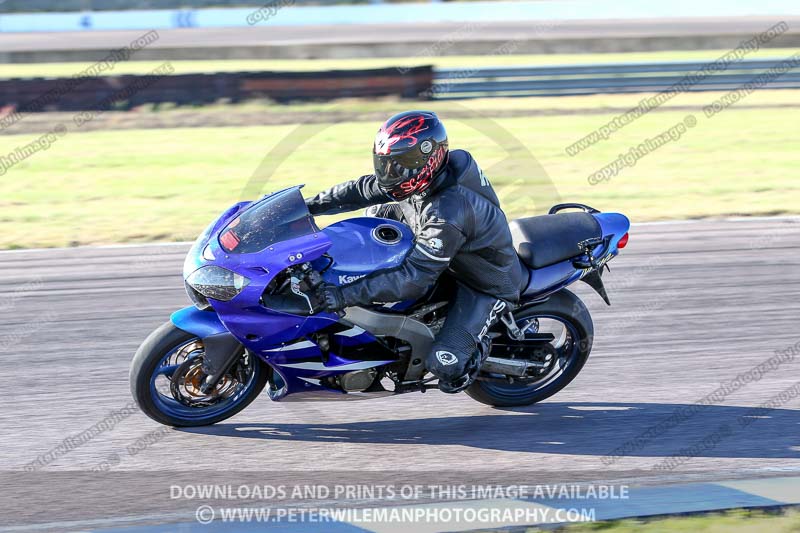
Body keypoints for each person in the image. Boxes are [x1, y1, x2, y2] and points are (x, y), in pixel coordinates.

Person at [305, 110, 525, 393]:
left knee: (445, 366)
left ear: (427, 159)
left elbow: (414, 278)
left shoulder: (448, 213)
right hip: (450, 260)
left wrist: (340, 296)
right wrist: (305, 206)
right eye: (385, 163)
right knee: (374, 218)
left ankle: (476, 350)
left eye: (400, 164)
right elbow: (360, 190)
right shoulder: (423, 176)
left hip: (485, 283)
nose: (390, 173)